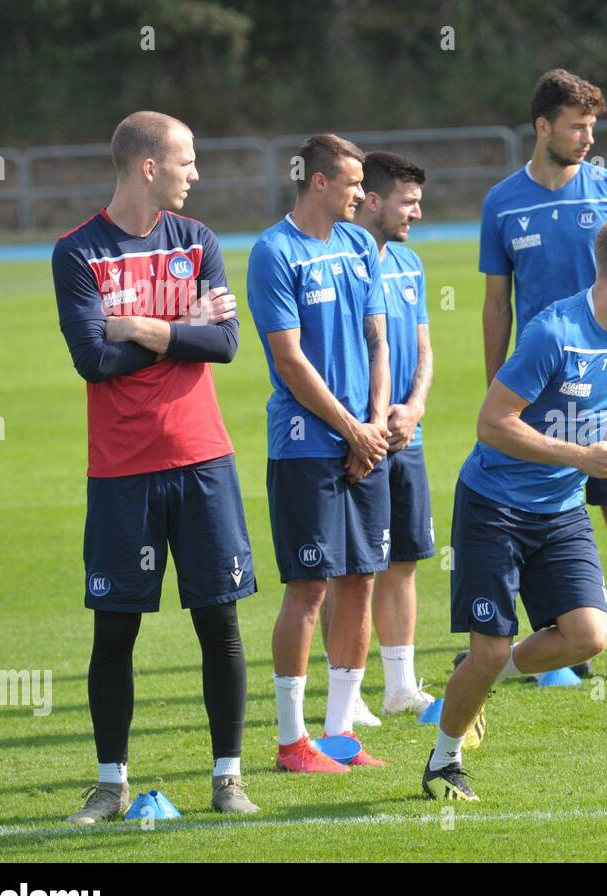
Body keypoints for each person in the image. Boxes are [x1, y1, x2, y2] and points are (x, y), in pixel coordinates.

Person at [54, 110, 259, 821]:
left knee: (220, 621)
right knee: (115, 628)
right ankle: (110, 783)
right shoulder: (77, 252)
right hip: (121, 470)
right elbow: (93, 360)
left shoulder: (196, 239)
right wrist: (184, 333)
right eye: (186, 161)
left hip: (203, 460)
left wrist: (142, 326)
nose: (195, 174)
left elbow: (227, 342)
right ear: (149, 167)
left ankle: (227, 777)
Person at [424, 215, 607, 801]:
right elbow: (491, 424)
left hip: (561, 509)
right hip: (494, 506)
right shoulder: (551, 332)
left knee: (588, 636)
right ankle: (443, 762)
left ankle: (479, 674)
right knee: (487, 651)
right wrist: (580, 455)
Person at [479, 68, 607, 679]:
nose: (588, 138)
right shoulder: (502, 202)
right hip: (539, 387)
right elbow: (496, 303)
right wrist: (496, 383)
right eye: (577, 126)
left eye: (592, 127)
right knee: (545, 507)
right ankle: (559, 643)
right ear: (543, 126)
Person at [247, 134, 392, 773]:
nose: (365, 194)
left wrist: (376, 425)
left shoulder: (361, 245)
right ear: (320, 183)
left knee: (361, 583)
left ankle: (338, 735)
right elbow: (290, 359)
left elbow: (378, 339)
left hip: (366, 441)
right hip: (306, 448)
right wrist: (350, 430)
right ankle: (290, 742)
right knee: (309, 588)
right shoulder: (273, 253)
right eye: (356, 182)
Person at [320, 151, 437, 724]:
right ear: (373, 200)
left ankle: (400, 686)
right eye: (408, 202)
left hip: (403, 437)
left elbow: (423, 350)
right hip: (350, 435)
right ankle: (348, 691)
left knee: (404, 560)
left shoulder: (410, 264)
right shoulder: (335, 258)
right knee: (346, 568)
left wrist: (412, 409)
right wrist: (363, 422)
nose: (417, 212)